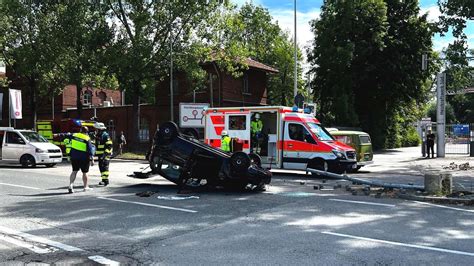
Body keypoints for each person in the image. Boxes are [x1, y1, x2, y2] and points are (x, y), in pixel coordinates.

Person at [68, 126, 95, 193]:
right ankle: (85, 187)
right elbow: (90, 150)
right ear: (86, 132)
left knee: (74, 171)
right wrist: (92, 159)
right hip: (84, 158)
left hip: (74, 157)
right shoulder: (87, 138)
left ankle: (71, 185)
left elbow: (66, 135)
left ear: (80, 130)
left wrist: (57, 135)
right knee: (85, 173)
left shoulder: (74, 135)